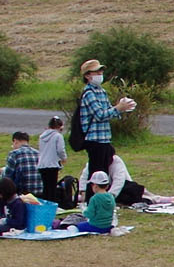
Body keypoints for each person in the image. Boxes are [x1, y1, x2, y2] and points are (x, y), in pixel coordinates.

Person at [76, 59, 136, 194]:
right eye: (96, 71)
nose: (100, 74)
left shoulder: (101, 91)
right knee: (95, 173)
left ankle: (102, 198)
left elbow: (109, 112)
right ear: (87, 76)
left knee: (104, 172)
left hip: (105, 138)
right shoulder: (89, 93)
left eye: (101, 71)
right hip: (94, 139)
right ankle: (91, 201)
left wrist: (122, 108)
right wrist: (117, 108)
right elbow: (100, 115)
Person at [37, 115, 67, 202]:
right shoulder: (58, 136)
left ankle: (45, 205)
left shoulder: (41, 137)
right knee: (52, 189)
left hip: (42, 164)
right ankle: (51, 206)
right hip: (52, 164)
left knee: (45, 188)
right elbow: (60, 150)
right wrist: (64, 158)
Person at [3, 132, 42, 196]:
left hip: (23, 193)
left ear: (15, 141)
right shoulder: (38, 153)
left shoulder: (14, 154)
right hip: (40, 191)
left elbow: (7, 177)